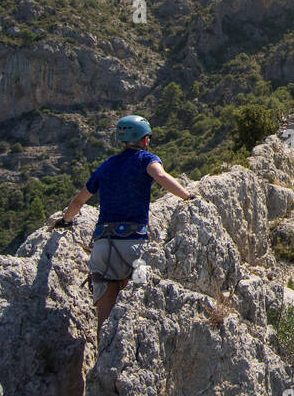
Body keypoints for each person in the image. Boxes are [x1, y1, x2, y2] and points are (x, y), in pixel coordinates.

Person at [56, 114, 196, 342]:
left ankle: (104, 356)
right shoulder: (146, 159)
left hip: (103, 247)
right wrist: (187, 196)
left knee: (104, 317)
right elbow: (160, 175)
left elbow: (79, 201)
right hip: (134, 246)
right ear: (145, 139)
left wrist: (65, 221)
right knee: (135, 309)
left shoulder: (106, 165)